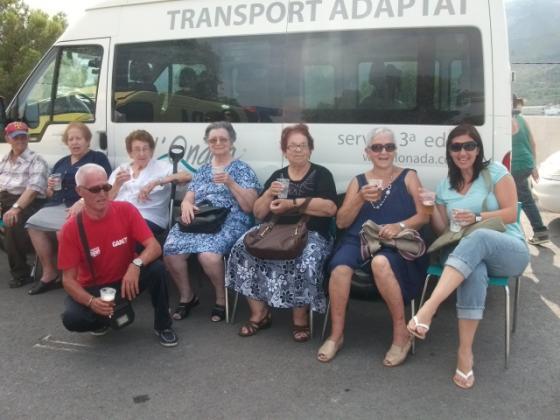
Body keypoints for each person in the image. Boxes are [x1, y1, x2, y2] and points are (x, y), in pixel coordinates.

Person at [407, 123, 529, 389]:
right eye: (456, 147)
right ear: (449, 152)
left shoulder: (495, 172)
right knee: (474, 269)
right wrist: (431, 208)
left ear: (477, 149)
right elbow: (443, 231)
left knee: (479, 236)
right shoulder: (445, 186)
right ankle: (465, 353)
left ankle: (429, 308)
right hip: (466, 255)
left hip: (508, 250)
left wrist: (476, 217)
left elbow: (511, 213)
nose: (462, 152)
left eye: (469, 146)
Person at [317, 127, 429, 365]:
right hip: (360, 239)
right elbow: (341, 222)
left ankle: (401, 335)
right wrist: (359, 198)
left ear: (395, 150)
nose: (383, 152)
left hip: (395, 243)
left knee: (380, 263)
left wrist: (399, 225)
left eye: (389, 147)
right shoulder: (358, 181)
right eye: (377, 147)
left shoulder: (408, 176)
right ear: (367, 152)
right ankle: (336, 335)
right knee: (340, 268)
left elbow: (423, 216)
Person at [227, 123, 337, 342]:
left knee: (306, 257)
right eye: (292, 146)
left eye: (302, 145)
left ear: (310, 149)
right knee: (242, 249)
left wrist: (292, 204)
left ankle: (300, 317)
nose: (298, 150)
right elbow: (259, 212)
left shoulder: (321, 174)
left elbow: (330, 208)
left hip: (311, 233)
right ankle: (260, 313)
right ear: (284, 151)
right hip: (274, 230)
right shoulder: (278, 176)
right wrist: (269, 193)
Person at [58, 164, 178, 346]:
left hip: (127, 281)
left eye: (106, 187)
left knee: (157, 269)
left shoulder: (126, 210)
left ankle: (163, 325)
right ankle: (102, 319)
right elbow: (68, 280)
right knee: (72, 318)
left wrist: (136, 265)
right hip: (95, 287)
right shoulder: (70, 229)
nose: (102, 194)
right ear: (80, 191)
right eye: (95, 189)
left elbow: (154, 247)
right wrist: (91, 302)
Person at [164, 121, 260, 322]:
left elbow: (250, 207)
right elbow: (190, 195)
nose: (218, 143)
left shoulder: (242, 169)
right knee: (171, 250)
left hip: (231, 218)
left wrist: (230, 183)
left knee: (209, 256)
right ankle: (187, 296)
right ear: (208, 143)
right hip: (201, 217)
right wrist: (186, 205)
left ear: (231, 142)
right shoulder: (203, 170)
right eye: (213, 140)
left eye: (223, 139)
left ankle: (221, 298)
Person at [26, 122, 112, 295]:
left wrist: (83, 200)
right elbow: (50, 193)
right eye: (71, 139)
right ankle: (49, 273)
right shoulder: (62, 162)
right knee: (32, 224)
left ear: (87, 141)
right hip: (57, 204)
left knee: (63, 231)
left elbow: (105, 185)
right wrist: (50, 187)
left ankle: (75, 277)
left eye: (78, 138)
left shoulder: (97, 158)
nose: (74, 142)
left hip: (82, 205)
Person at [108, 129, 191, 236]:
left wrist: (157, 182)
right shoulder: (121, 169)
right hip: (117, 216)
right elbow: (106, 199)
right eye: (137, 149)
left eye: (145, 149)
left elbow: (187, 176)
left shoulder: (162, 167)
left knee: (116, 232)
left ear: (151, 151)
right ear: (130, 153)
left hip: (147, 217)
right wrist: (117, 185)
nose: (142, 153)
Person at [0, 121, 48, 288]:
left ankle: (21, 273)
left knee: (12, 222)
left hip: (27, 203)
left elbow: (33, 190)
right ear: (8, 138)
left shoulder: (36, 160)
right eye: (16, 137)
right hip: (5, 201)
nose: (20, 140)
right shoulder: (4, 159)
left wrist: (15, 208)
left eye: (23, 137)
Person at [511, 94, 549, 245]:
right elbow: (533, 143)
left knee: (524, 199)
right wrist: (533, 165)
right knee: (520, 198)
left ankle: (540, 231)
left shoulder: (508, 120)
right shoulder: (521, 119)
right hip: (526, 163)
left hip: (517, 165)